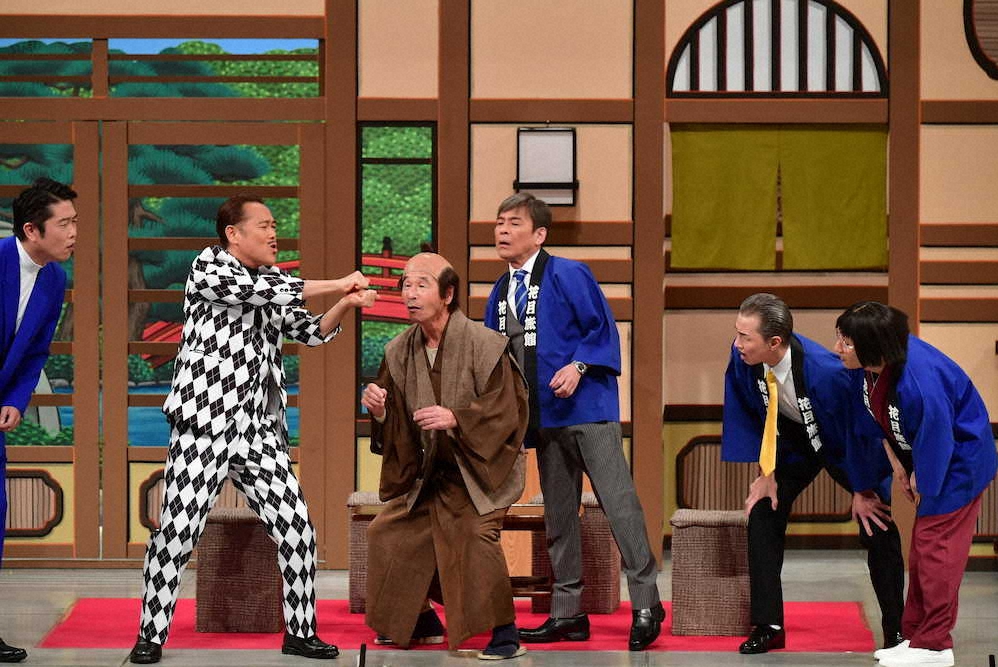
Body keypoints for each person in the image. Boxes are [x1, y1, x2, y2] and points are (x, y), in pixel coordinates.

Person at [129, 195, 376, 665]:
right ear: (233, 234)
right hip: (205, 422)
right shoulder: (209, 267)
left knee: (297, 529)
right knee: (178, 532)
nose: (273, 233)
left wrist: (345, 302)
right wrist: (341, 281)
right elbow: (264, 293)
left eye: (274, 225)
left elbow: (311, 331)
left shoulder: (271, 280)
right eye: (263, 225)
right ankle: (150, 635)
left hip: (258, 428)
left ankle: (300, 632)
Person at [483, 193, 664, 652]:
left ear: (539, 234)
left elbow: (601, 329)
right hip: (543, 418)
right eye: (499, 222)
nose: (502, 230)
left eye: (514, 223)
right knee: (559, 515)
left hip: (587, 411)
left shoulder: (569, 273)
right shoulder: (500, 291)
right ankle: (568, 613)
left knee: (619, 506)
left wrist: (579, 366)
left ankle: (647, 603)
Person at [361, 252, 529, 660]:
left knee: (473, 535)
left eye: (422, 285)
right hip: (431, 475)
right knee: (386, 531)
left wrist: (457, 418)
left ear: (448, 294)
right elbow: (397, 425)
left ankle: (505, 633)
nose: (410, 293)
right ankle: (423, 620)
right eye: (406, 284)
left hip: (480, 474)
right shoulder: (399, 350)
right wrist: (380, 411)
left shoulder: (485, 344)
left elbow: (507, 411)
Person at [723, 293, 904, 655]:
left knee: (876, 523)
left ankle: (896, 631)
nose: (737, 343)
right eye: (737, 333)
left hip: (841, 443)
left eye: (745, 337)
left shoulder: (828, 372)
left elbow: (858, 428)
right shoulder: (744, 357)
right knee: (763, 512)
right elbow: (748, 411)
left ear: (774, 342)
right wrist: (766, 472)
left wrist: (862, 487)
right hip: (793, 441)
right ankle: (768, 624)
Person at [834, 302, 997, 667]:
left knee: (937, 550)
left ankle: (936, 645)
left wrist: (922, 477)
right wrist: (898, 466)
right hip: (924, 458)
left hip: (959, 462)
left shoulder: (921, 379)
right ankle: (916, 638)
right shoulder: (873, 367)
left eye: (846, 342)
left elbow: (937, 437)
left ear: (873, 346)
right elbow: (879, 423)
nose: (837, 348)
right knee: (922, 551)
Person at [0, 178, 78, 664]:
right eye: (64, 224)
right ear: (32, 229)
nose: (73, 233)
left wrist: (16, 398)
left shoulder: (53, 278)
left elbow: (36, 351)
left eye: (74, 222)